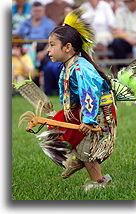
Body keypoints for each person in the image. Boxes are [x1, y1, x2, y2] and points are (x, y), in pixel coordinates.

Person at [45, 8, 117, 191]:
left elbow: (90, 94)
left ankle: (100, 182)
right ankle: (78, 160)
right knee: (56, 130)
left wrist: (88, 119)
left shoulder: (81, 68)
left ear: (67, 47)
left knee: (88, 150)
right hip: (81, 109)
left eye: (52, 45)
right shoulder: (68, 65)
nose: (48, 50)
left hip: (96, 112)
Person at [17, 1, 57, 87]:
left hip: (44, 49)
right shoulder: (24, 23)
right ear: (31, 11)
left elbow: (53, 41)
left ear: (43, 11)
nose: (37, 13)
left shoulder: (49, 23)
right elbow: (19, 37)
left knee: (47, 61)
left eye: (39, 11)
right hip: (27, 49)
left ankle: (43, 85)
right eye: (35, 11)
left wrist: (44, 52)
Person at [110, 0, 136, 69]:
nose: (129, 3)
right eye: (128, 1)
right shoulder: (120, 11)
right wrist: (131, 40)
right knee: (117, 42)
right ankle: (123, 69)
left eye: (132, 1)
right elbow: (118, 30)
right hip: (127, 41)